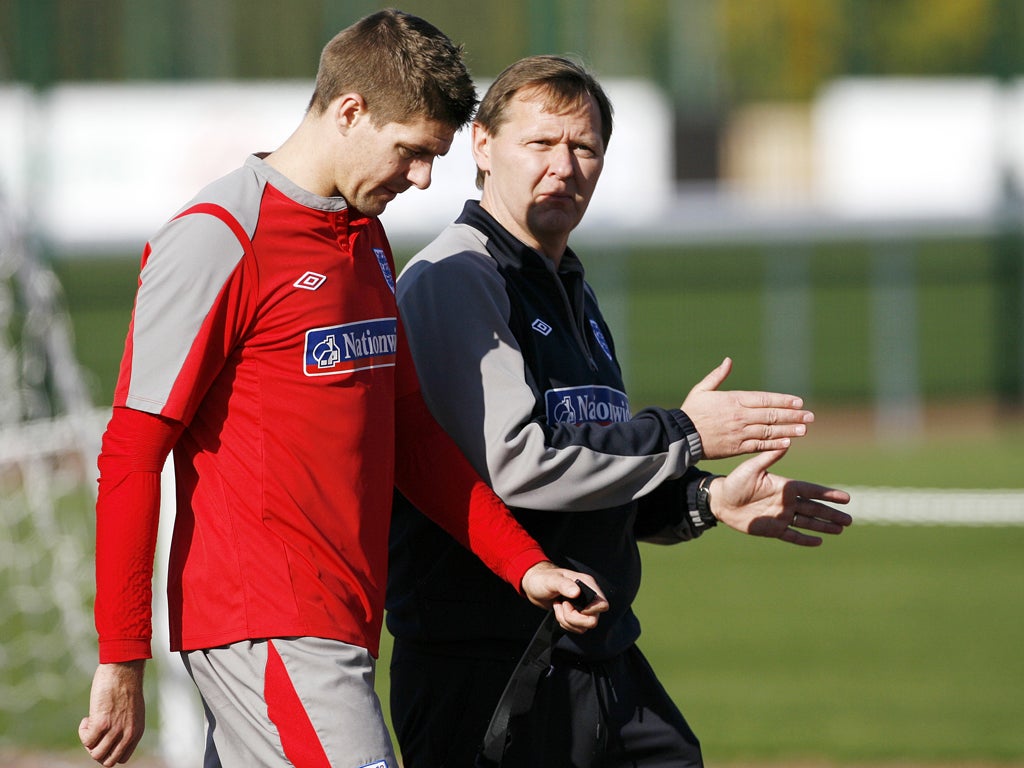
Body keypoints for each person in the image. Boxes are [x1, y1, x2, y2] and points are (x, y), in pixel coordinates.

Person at [77, 18, 608, 768]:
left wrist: (524, 563)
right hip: (270, 624)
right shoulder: (221, 236)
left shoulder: (366, 240)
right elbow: (131, 452)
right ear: (350, 111)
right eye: (412, 152)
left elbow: (411, 433)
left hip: (343, 622)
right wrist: (122, 655)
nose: (423, 177)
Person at [386, 54, 853, 768]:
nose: (565, 166)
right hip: (490, 667)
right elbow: (520, 467)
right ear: (481, 146)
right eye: (541, 143)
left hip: (598, 655)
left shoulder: (569, 286)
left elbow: (589, 479)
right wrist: (688, 432)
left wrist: (706, 499)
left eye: (585, 147)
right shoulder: (460, 278)